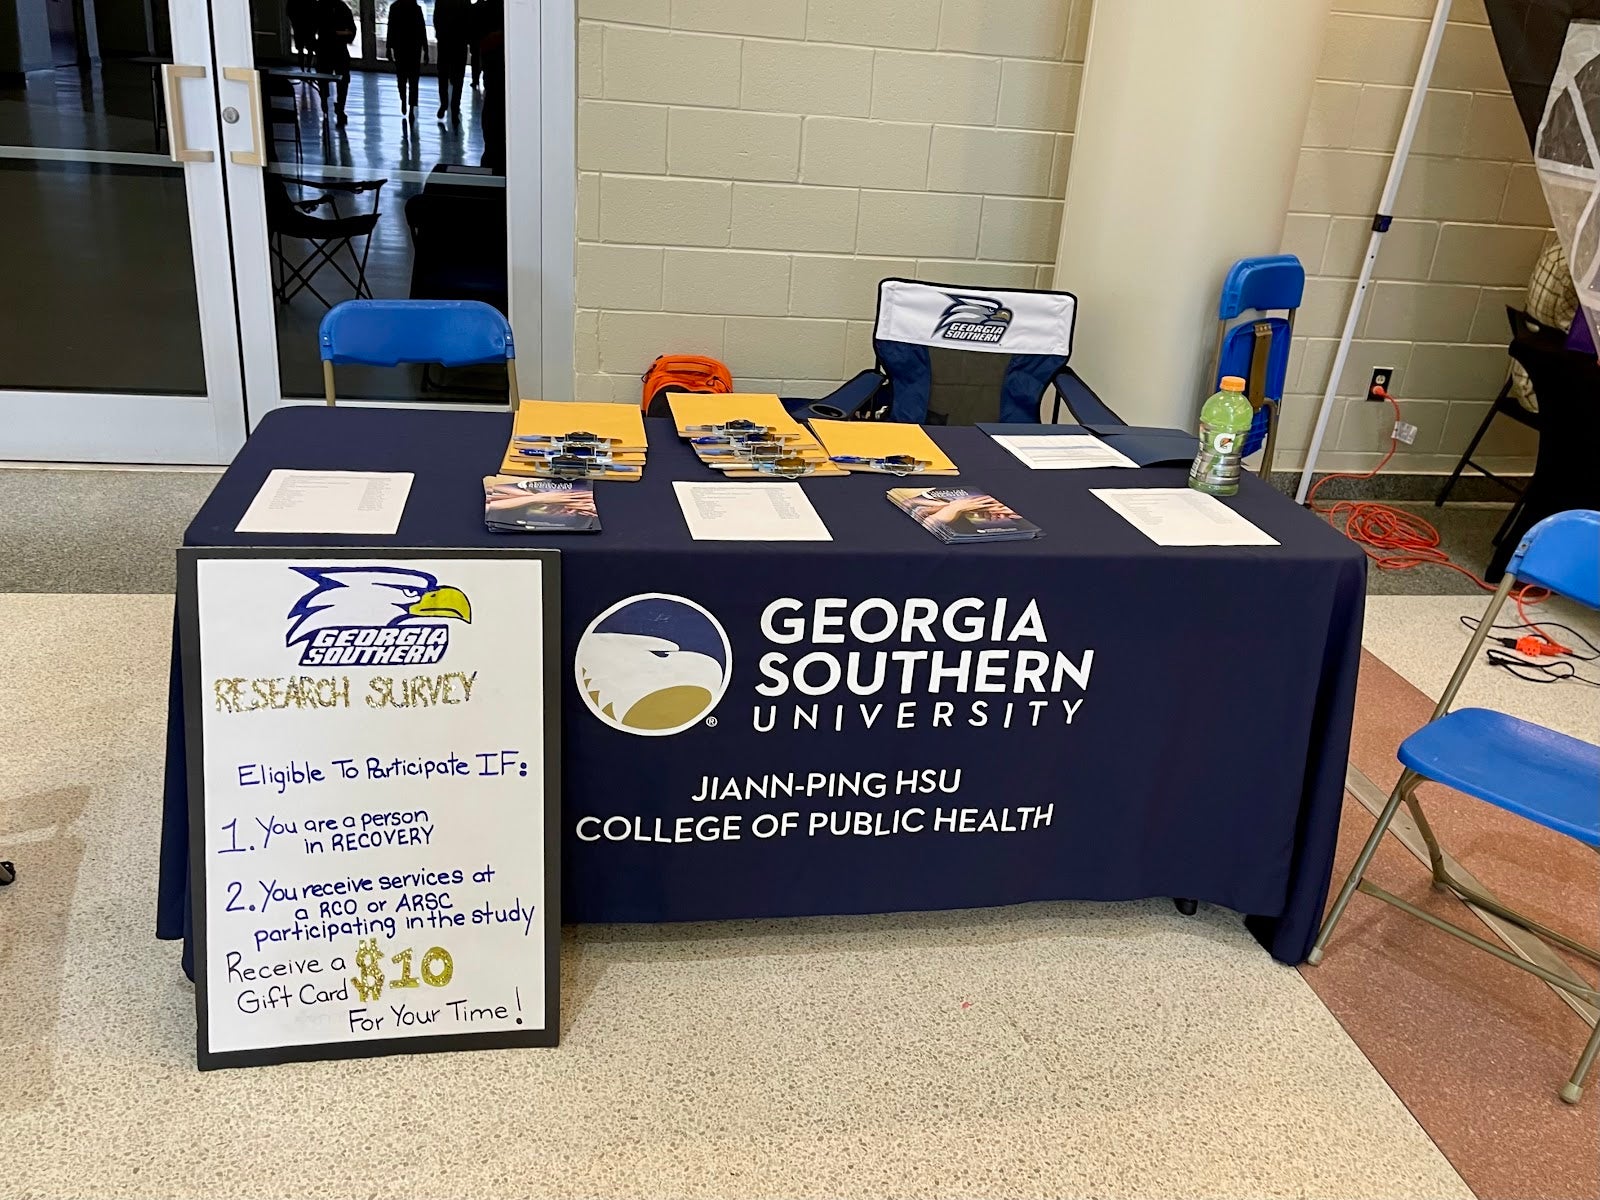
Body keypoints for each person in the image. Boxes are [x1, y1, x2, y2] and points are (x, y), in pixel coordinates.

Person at [313, 0, 356, 128]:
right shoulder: (343, 8)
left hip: (324, 49)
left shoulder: (319, 7)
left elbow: (312, 27)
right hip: (339, 49)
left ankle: (325, 101)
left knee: (323, 78)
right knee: (343, 80)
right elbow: (352, 30)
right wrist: (342, 34)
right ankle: (340, 107)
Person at [386, 0, 427, 119]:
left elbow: (391, 28)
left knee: (401, 78)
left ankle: (403, 99)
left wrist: (389, 48)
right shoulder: (416, 9)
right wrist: (426, 50)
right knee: (414, 81)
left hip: (400, 48)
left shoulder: (394, 8)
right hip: (414, 48)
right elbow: (422, 30)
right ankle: (411, 107)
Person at [433, 0, 471, 123]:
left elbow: (436, 18)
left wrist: (439, 34)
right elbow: (469, 19)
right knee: (458, 78)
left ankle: (444, 103)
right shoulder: (464, 1)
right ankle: (455, 107)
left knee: (443, 75)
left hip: (444, 42)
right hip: (460, 43)